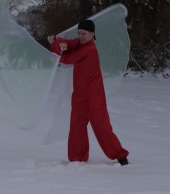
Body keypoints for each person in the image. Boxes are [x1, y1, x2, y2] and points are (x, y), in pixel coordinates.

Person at [47, 19, 129, 166]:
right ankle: (78, 158)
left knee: (102, 127)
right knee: (76, 126)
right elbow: (70, 44)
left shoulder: (89, 50)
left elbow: (67, 58)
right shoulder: (79, 43)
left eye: (84, 33)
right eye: (79, 33)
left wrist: (54, 44)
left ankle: (120, 156)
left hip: (94, 96)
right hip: (79, 94)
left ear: (92, 34)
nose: (81, 36)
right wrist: (59, 41)